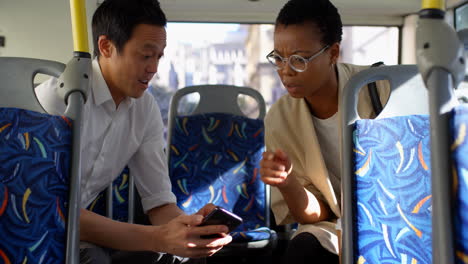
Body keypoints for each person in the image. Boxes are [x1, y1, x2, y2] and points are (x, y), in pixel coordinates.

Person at [35, 0, 232, 263]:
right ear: (106, 47)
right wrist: (158, 237)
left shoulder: (144, 108)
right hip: (25, 222)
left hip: (68, 228)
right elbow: (47, 205)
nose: (154, 68)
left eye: (159, 57)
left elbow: (159, 202)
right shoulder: (58, 99)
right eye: (145, 55)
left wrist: (191, 227)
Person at [259, 0, 389, 263]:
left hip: (394, 214)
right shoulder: (280, 119)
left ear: (333, 53)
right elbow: (313, 214)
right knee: (304, 248)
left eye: (299, 60)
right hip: (334, 225)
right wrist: (287, 183)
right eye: (279, 58)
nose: (285, 71)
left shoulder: (381, 87)